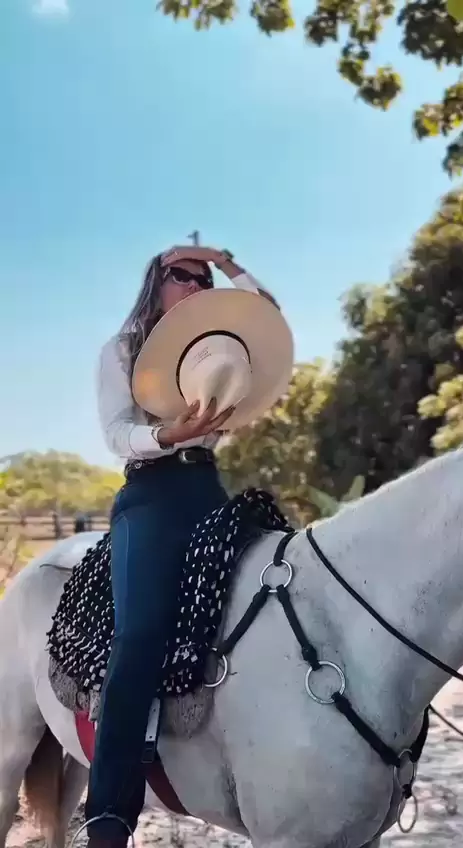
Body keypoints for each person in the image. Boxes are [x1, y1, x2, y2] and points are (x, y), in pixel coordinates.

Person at [85, 245, 278, 848]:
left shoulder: (218, 343)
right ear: (157, 280)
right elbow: (117, 433)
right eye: (183, 275)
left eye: (204, 278)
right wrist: (172, 434)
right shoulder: (123, 349)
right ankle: (109, 814)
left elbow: (268, 317)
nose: (196, 285)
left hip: (208, 488)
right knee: (140, 633)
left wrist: (226, 258)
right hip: (151, 492)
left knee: (281, 590)